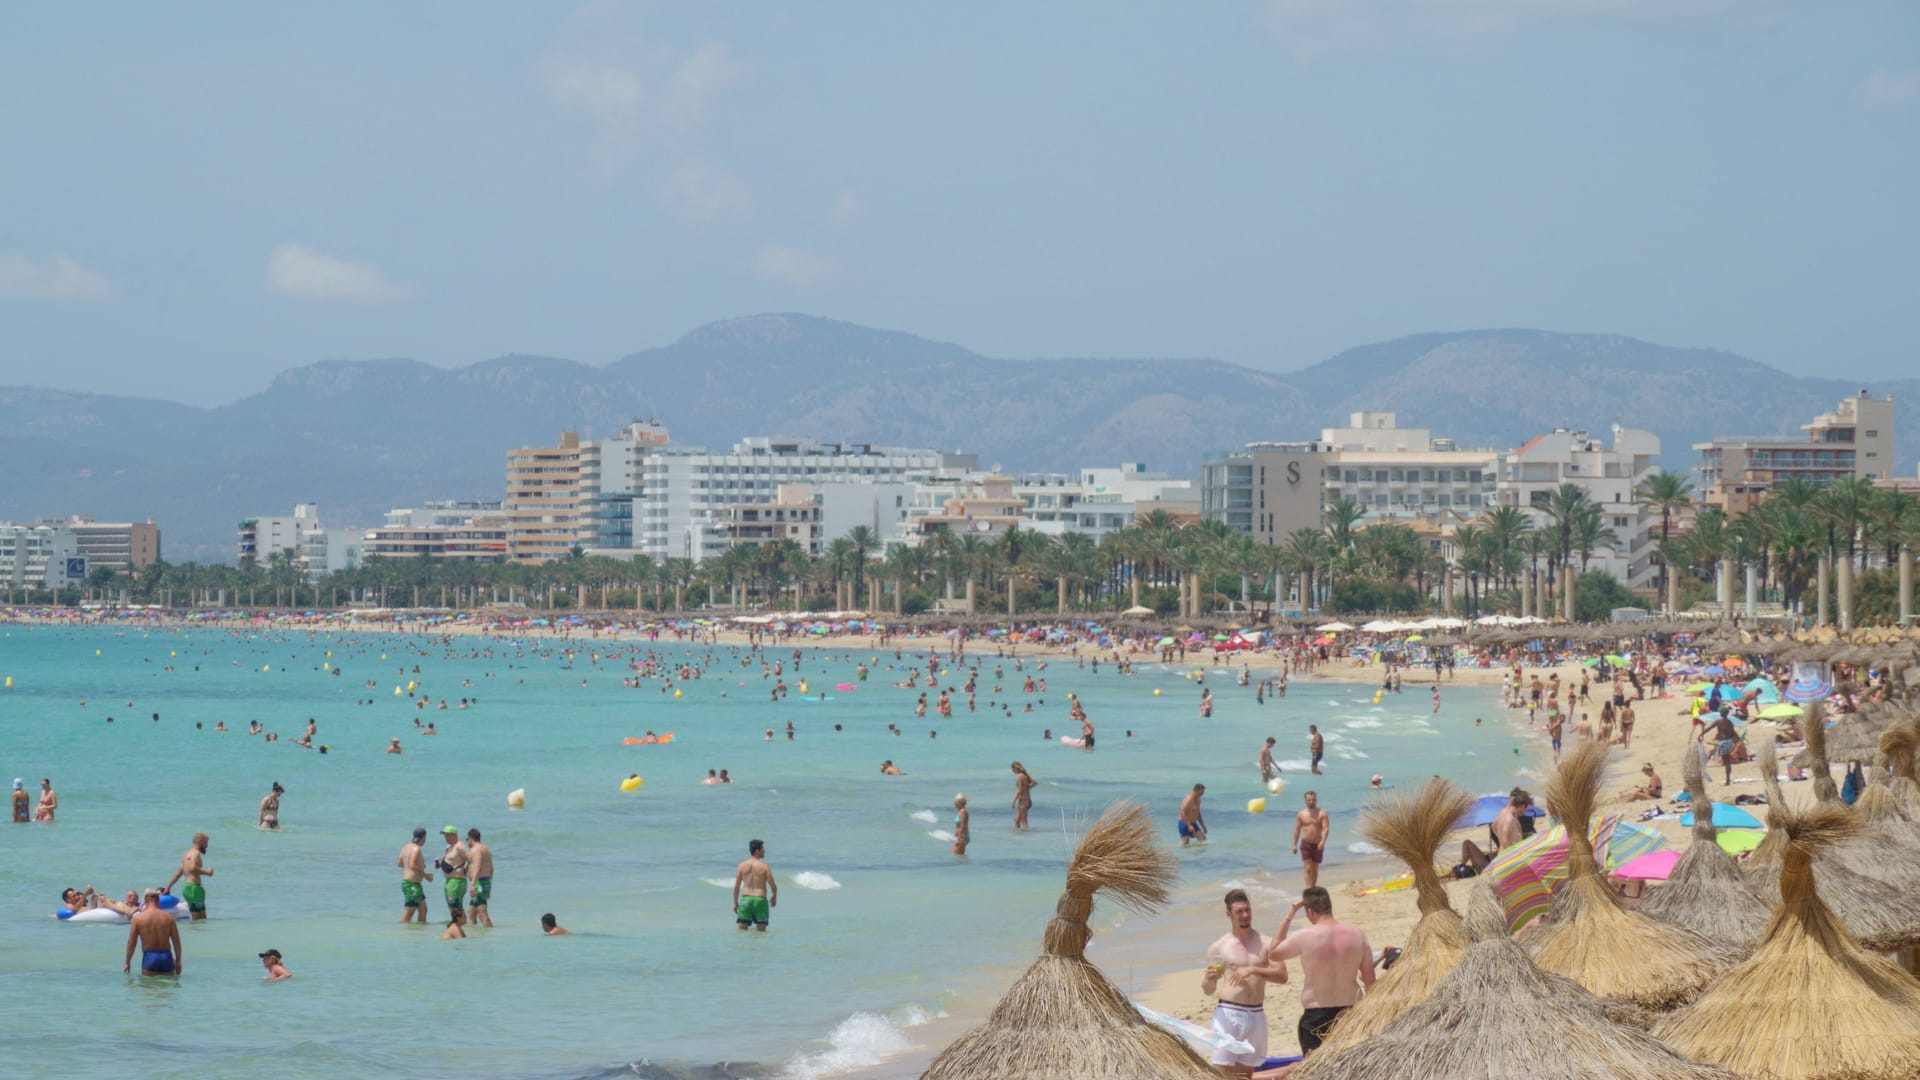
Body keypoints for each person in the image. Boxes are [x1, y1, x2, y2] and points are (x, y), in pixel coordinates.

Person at [1270, 887, 1375, 1056]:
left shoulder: (1304, 936)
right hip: (1351, 1012)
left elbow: (1273, 953)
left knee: (1317, 1071)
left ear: (1309, 911)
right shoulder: (1357, 935)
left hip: (1316, 1015)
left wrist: (1290, 915)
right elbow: (1370, 980)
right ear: (1329, 906)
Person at [1200, 889, 1289, 1078]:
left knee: (1245, 1075)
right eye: (1239, 912)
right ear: (1229, 915)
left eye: (1247, 910)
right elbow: (1208, 990)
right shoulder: (1220, 946)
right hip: (1228, 1013)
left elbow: (1282, 976)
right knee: (1222, 1073)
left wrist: (1253, 969)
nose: (1245, 915)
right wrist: (1210, 977)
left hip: (1256, 1014)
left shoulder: (1266, 943)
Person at [1461, 791, 1528, 871]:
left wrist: (1499, 836)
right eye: (1525, 808)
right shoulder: (1510, 819)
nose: (1525, 811)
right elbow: (1505, 842)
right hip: (1507, 858)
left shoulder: (1503, 812)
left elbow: (1493, 826)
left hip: (1503, 854)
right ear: (1522, 805)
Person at [124, 889, 182, 975]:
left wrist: (127, 962)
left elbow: (131, 943)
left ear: (145, 900)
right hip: (166, 957)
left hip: (150, 957)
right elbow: (176, 941)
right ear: (158, 900)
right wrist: (178, 961)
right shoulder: (168, 917)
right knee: (167, 986)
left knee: (149, 986)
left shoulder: (138, 919)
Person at [164, 832, 213, 919]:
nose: (207, 846)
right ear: (200, 842)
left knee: (202, 917)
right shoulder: (196, 853)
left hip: (188, 888)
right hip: (194, 889)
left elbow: (178, 873)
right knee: (197, 918)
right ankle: (195, 932)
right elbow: (192, 868)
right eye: (206, 843)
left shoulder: (186, 855)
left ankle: (194, 933)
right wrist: (207, 872)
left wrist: (168, 887)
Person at [732, 839, 776, 931]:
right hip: (760, 900)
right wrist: (774, 896)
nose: (764, 851)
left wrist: (735, 903)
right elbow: (773, 885)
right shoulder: (764, 866)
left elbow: (736, 886)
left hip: (746, 900)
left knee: (742, 930)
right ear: (757, 851)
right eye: (762, 849)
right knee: (761, 932)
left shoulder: (741, 865)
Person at [1293, 792, 1329, 889]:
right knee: (1308, 869)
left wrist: (1323, 841)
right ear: (1305, 801)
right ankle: (1309, 889)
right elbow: (1297, 829)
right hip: (1306, 844)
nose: (1311, 801)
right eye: (1309, 800)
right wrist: (1294, 844)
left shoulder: (1322, 813)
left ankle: (1313, 888)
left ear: (1316, 800)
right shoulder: (1301, 814)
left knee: (1315, 869)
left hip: (1318, 844)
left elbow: (1326, 829)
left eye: (1313, 799)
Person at [398, 826, 434, 923]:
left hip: (413, 884)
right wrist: (425, 875)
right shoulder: (416, 849)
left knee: (423, 910)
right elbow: (412, 865)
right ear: (423, 837)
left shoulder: (406, 847)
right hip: (411, 885)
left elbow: (400, 863)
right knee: (409, 913)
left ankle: (420, 934)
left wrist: (420, 866)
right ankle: (401, 933)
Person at [436, 826, 469, 920]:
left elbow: (471, 859)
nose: (446, 838)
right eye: (445, 836)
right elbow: (449, 861)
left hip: (457, 881)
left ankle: (456, 927)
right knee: (456, 907)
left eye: (448, 835)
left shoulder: (459, 846)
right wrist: (439, 865)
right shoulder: (448, 847)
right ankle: (462, 927)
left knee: (454, 908)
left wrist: (465, 870)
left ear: (454, 835)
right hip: (449, 881)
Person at [466, 828, 493, 928]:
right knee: (471, 912)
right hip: (484, 882)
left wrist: (472, 884)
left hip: (479, 883)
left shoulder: (476, 850)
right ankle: (475, 938)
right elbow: (491, 868)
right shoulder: (485, 849)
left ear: (471, 838)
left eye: (467, 839)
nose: (467, 842)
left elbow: (478, 866)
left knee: (482, 914)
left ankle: (489, 935)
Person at [1011, 762, 1035, 831]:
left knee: (1024, 823)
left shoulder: (1020, 777)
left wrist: (1014, 801)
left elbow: (1019, 791)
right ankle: (1019, 837)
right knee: (1016, 820)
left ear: (1015, 768)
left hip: (1023, 802)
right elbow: (1035, 782)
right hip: (1028, 800)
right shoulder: (1025, 775)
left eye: (1012, 769)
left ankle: (1027, 839)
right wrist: (1027, 788)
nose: (1012, 771)